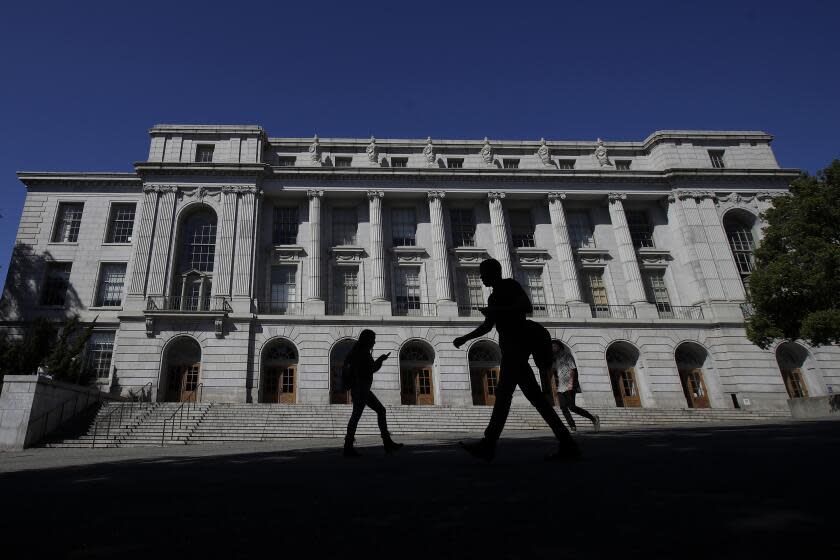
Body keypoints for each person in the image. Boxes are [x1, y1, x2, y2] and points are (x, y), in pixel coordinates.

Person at [453, 259, 580, 462]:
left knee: (504, 397)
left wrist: (498, 312)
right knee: (533, 399)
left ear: (494, 272)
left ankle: (489, 444)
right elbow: (487, 326)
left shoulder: (510, 285)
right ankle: (567, 442)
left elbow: (526, 306)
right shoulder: (493, 297)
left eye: (484, 273)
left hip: (517, 347)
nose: (482, 277)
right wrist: (464, 338)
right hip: (510, 349)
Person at [343, 329, 404, 457]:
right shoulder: (362, 352)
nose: (374, 342)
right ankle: (348, 447)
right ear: (367, 340)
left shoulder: (357, 351)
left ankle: (386, 443)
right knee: (358, 415)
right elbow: (371, 369)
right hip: (361, 388)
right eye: (373, 340)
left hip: (361, 388)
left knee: (375, 412)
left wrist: (379, 360)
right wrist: (381, 360)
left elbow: (367, 369)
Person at [552, 341, 600, 433]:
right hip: (561, 386)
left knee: (572, 407)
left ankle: (593, 418)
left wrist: (571, 384)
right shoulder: (556, 358)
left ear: (559, 346)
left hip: (569, 385)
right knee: (563, 407)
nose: (553, 348)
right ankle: (572, 426)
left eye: (554, 346)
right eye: (552, 347)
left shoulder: (567, 355)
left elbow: (573, 369)